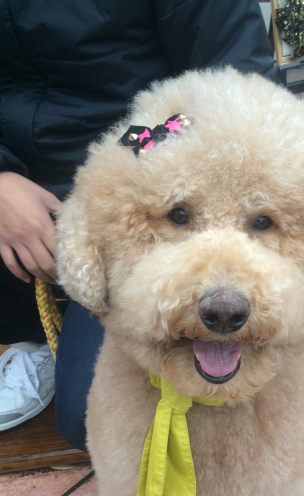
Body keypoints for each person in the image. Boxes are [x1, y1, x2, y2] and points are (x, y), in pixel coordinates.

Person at [0, 0, 275, 447]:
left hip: (149, 179)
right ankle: (34, 340)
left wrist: (139, 167)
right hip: (19, 178)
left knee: (88, 415)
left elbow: (242, 78)